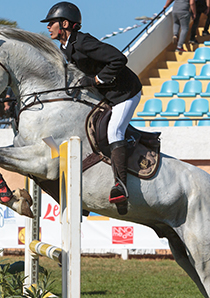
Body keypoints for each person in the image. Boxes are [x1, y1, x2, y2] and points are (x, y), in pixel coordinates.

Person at [42, 2, 142, 208]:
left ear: (65, 24)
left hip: (125, 93)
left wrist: (97, 79)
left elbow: (118, 59)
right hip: (106, 94)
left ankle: (121, 186)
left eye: (52, 23)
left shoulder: (83, 42)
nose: (48, 27)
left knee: (114, 131)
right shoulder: (65, 47)